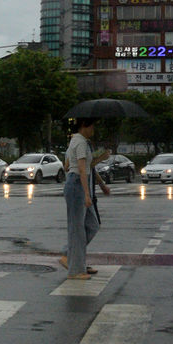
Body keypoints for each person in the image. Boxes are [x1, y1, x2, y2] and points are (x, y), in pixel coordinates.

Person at [60, 118, 110, 279]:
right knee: (77, 230)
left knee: (92, 225)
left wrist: (101, 159)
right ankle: (75, 270)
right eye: (92, 126)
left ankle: (71, 256)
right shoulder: (79, 142)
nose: (94, 129)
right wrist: (87, 194)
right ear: (84, 126)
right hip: (77, 186)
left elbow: (88, 166)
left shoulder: (82, 142)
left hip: (80, 184)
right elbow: (80, 169)